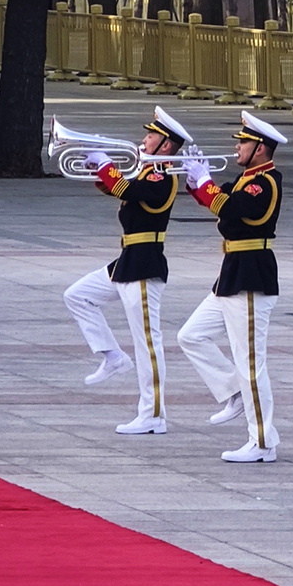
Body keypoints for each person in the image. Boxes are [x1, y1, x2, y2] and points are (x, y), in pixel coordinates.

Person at [62, 107, 191, 435]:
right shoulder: (147, 172)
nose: (143, 139)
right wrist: (98, 169)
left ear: (165, 145)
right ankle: (112, 356)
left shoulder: (161, 176)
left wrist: (106, 164)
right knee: (77, 296)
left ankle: (153, 415)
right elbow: (118, 189)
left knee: (148, 343)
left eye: (150, 135)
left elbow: (127, 191)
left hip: (145, 263)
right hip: (128, 260)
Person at [177, 113, 288, 463]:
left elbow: (236, 211)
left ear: (259, 148)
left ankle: (262, 442)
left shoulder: (265, 182)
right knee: (191, 336)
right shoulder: (246, 178)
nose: (237, 147)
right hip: (232, 272)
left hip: (252, 274)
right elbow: (220, 201)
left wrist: (207, 184)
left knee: (251, 363)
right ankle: (234, 392)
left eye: (242, 142)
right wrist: (196, 181)